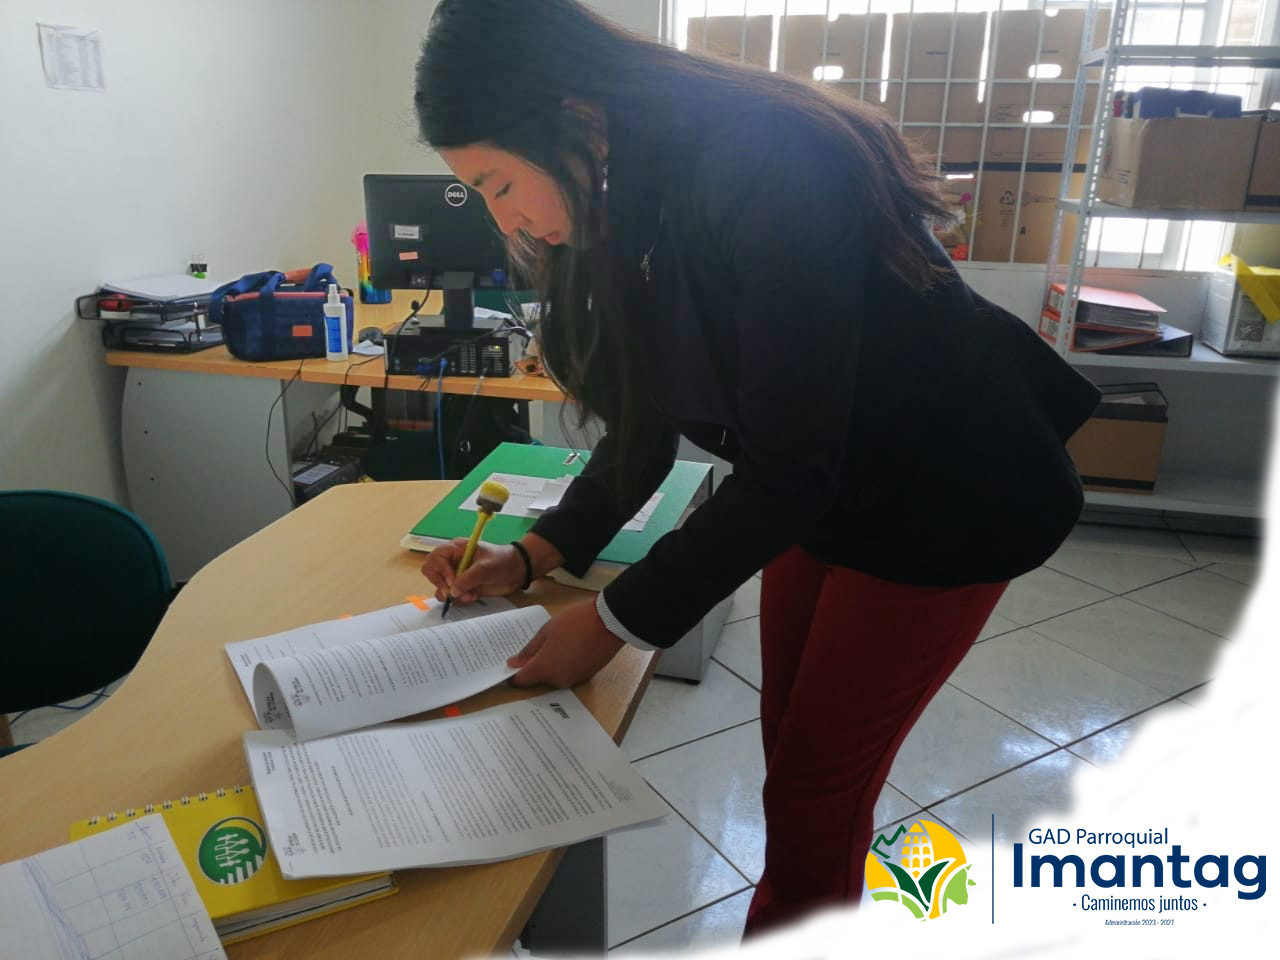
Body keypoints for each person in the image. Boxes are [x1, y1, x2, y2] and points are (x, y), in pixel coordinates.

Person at [415, 0, 1100, 936]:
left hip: (946, 492)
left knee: (817, 788)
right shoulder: (623, 191)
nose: (508, 219)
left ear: (572, 115)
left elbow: (788, 464)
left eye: (498, 184)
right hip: (822, 489)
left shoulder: (763, 160)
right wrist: (538, 551)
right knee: (793, 752)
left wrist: (614, 621)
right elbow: (646, 418)